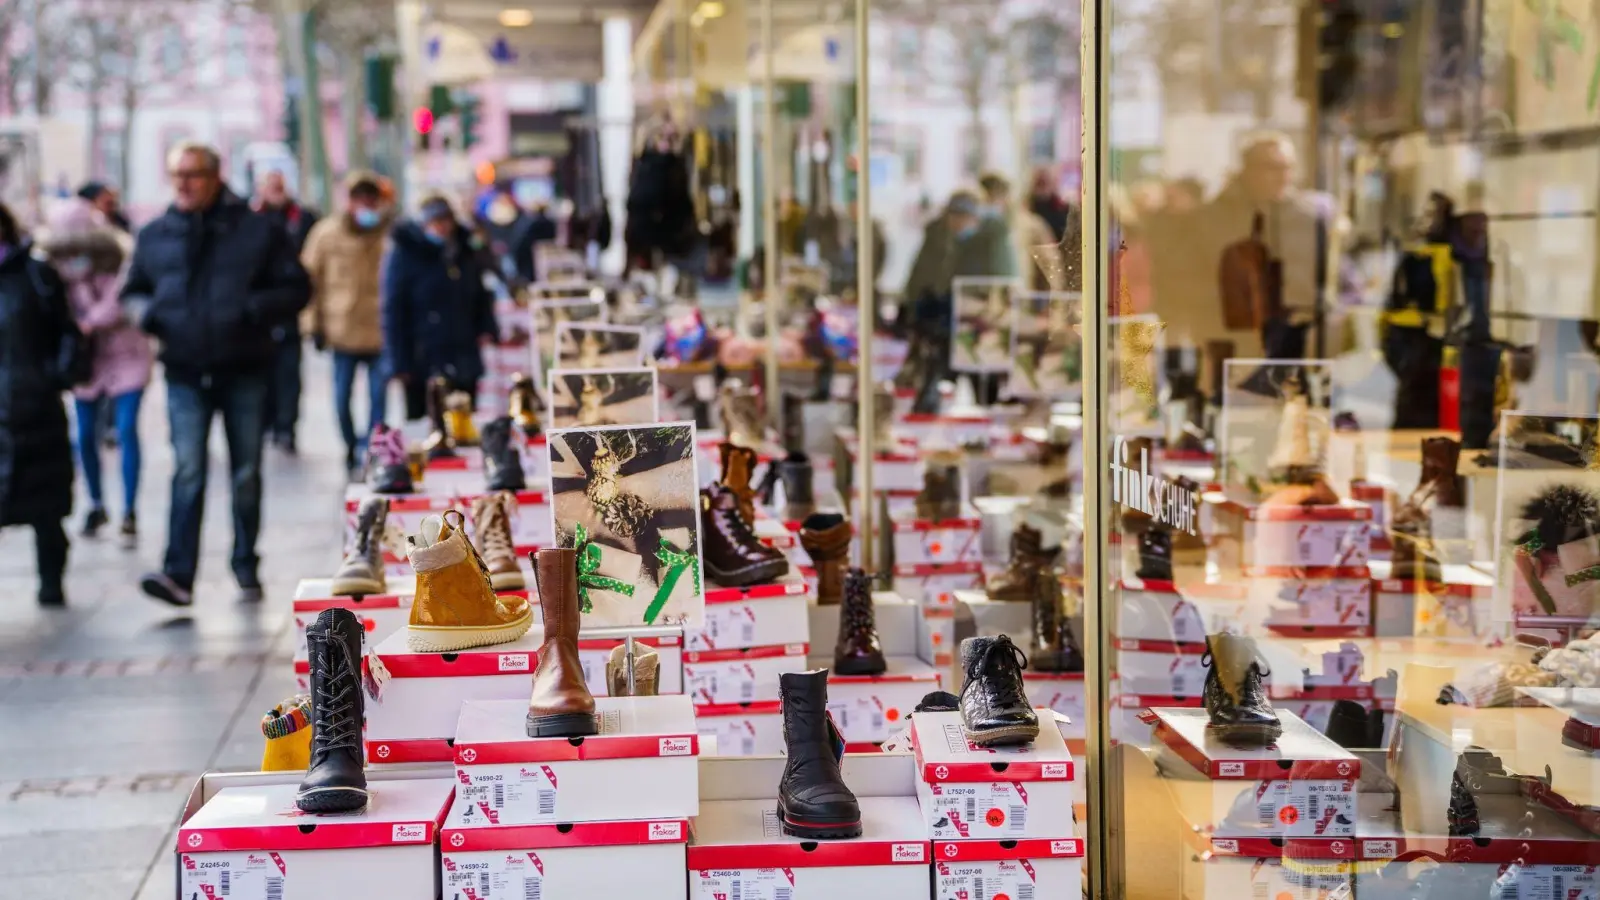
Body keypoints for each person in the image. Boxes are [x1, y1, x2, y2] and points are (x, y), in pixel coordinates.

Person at [121, 142, 311, 606]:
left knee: (245, 472)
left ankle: (246, 563)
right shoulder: (155, 234)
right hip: (184, 370)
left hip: (244, 367)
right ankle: (178, 575)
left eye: (194, 174)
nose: (184, 184)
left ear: (215, 176)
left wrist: (253, 309)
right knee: (188, 470)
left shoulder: (257, 230)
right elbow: (133, 290)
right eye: (177, 175)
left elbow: (297, 287)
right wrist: (149, 315)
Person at [41, 193, 152, 545]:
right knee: (84, 434)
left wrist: (88, 321)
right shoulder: (55, 269)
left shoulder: (116, 257)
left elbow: (122, 299)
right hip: (86, 360)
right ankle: (96, 502)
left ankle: (129, 509)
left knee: (125, 428)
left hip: (127, 353)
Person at [0, 201, 87, 606]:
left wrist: (55, 375)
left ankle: (51, 580)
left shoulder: (35, 274)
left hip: (33, 406)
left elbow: (67, 331)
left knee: (45, 506)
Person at [301, 171, 393, 474]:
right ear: (350, 201)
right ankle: (351, 444)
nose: (366, 205)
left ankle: (373, 447)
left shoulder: (388, 235)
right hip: (342, 330)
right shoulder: (326, 234)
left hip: (380, 330)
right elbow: (309, 281)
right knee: (341, 397)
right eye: (360, 198)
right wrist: (311, 324)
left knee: (379, 396)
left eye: (372, 199)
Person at [382, 195, 497, 421]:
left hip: (462, 351)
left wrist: (487, 328)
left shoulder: (464, 251)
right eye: (435, 221)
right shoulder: (405, 254)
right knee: (425, 421)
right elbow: (393, 310)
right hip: (422, 355)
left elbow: (481, 295)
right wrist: (398, 362)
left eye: (445, 221)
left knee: (464, 420)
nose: (442, 227)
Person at [253, 169, 319, 454]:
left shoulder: (303, 219)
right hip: (259, 319)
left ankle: (285, 426)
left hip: (288, 312)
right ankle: (268, 423)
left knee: (289, 376)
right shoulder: (251, 222)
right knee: (264, 376)